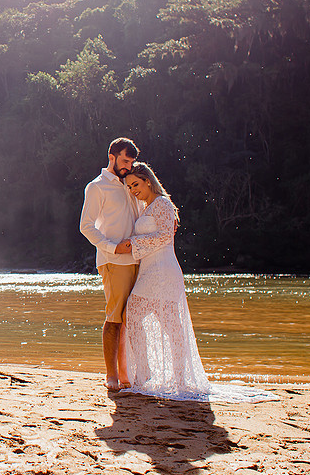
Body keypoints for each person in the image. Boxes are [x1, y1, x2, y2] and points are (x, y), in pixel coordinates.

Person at [116, 162, 274, 402]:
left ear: (148, 181)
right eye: (129, 187)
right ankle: (145, 374)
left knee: (169, 325)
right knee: (135, 315)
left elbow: (165, 236)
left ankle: (179, 378)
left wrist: (132, 244)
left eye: (135, 184)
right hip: (149, 270)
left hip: (163, 270)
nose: (133, 190)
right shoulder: (146, 207)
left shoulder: (162, 204)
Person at [79, 137, 140, 391]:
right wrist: (112, 247)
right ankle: (111, 375)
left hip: (138, 259)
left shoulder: (131, 183)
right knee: (114, 318)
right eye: (125, 161)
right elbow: (86, 226)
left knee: (131, 319)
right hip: (113, 261)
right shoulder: (97, 187)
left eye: (131, 162)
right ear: (111, 157)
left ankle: (128, 375)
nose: (128, 166)